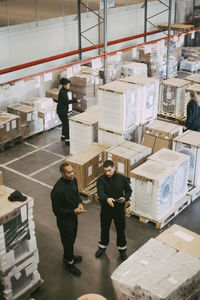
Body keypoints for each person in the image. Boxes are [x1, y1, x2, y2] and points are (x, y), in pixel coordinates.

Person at [50, 162, 86, 276]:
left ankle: (69, 256)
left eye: (72, 171)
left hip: (73, 217)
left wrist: (80, 202)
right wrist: (73, 211)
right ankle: (69, 263)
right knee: (68, 241)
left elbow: (76, 194)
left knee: (73, 237)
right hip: (64, 220)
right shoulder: (57, 190)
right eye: (69, 172)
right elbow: (57, 211)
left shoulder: (73, 180)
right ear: (62, 173)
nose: (72, 174)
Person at [95, 160, 132, 261]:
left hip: (119, 209)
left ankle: (122, 250)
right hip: (106, 209)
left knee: (120, 229)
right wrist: (107, 199)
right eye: (105, 171)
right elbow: (100, 192)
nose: (107, 173)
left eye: (109, 170)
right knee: (104, 228)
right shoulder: (101, 180)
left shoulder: (122, 178)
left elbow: (129, 191)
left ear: (114, 168)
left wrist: (125, 198)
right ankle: (102, 246)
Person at [57, 78, 81, 145]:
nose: (69, 86)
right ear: (64, 85)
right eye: (68, 85)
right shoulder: (63, 93)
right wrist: (76, 100)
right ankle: (67, 140)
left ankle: (63, 136)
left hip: (62, 111)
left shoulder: (63, 91)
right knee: (67, 125)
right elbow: (66, 102)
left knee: (65, 124)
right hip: (62, 111)